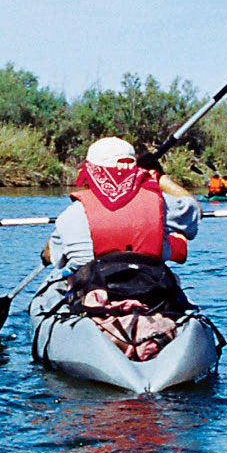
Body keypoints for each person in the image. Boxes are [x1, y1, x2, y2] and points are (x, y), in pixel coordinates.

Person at [42, 137, 202, 360]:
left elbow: (56, 261)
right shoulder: (161, 203)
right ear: (135, 170)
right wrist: (159, 177)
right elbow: (194, 210)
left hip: (97, 303)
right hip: (154, 297)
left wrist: (47, 251)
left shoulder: (71, 215)